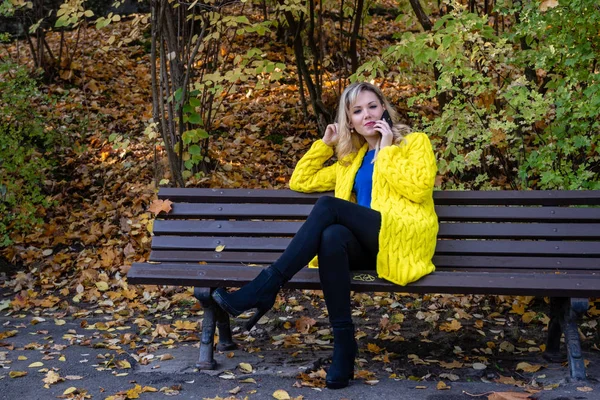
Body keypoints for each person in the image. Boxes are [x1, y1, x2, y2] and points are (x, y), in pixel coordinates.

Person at [212, 82, 438, 389]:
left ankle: (265, 286)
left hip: (400, 239)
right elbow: (300, 180)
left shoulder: (414, 143)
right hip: (370, 245)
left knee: (329, 207)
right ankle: (343, 347)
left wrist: (387, 152)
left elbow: (419, 188)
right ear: (349, 120)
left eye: (372, 106)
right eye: (357, 111)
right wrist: (325, 145)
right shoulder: (352, 160)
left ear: (383, 107)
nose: (367, 115)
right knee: (332, 236)